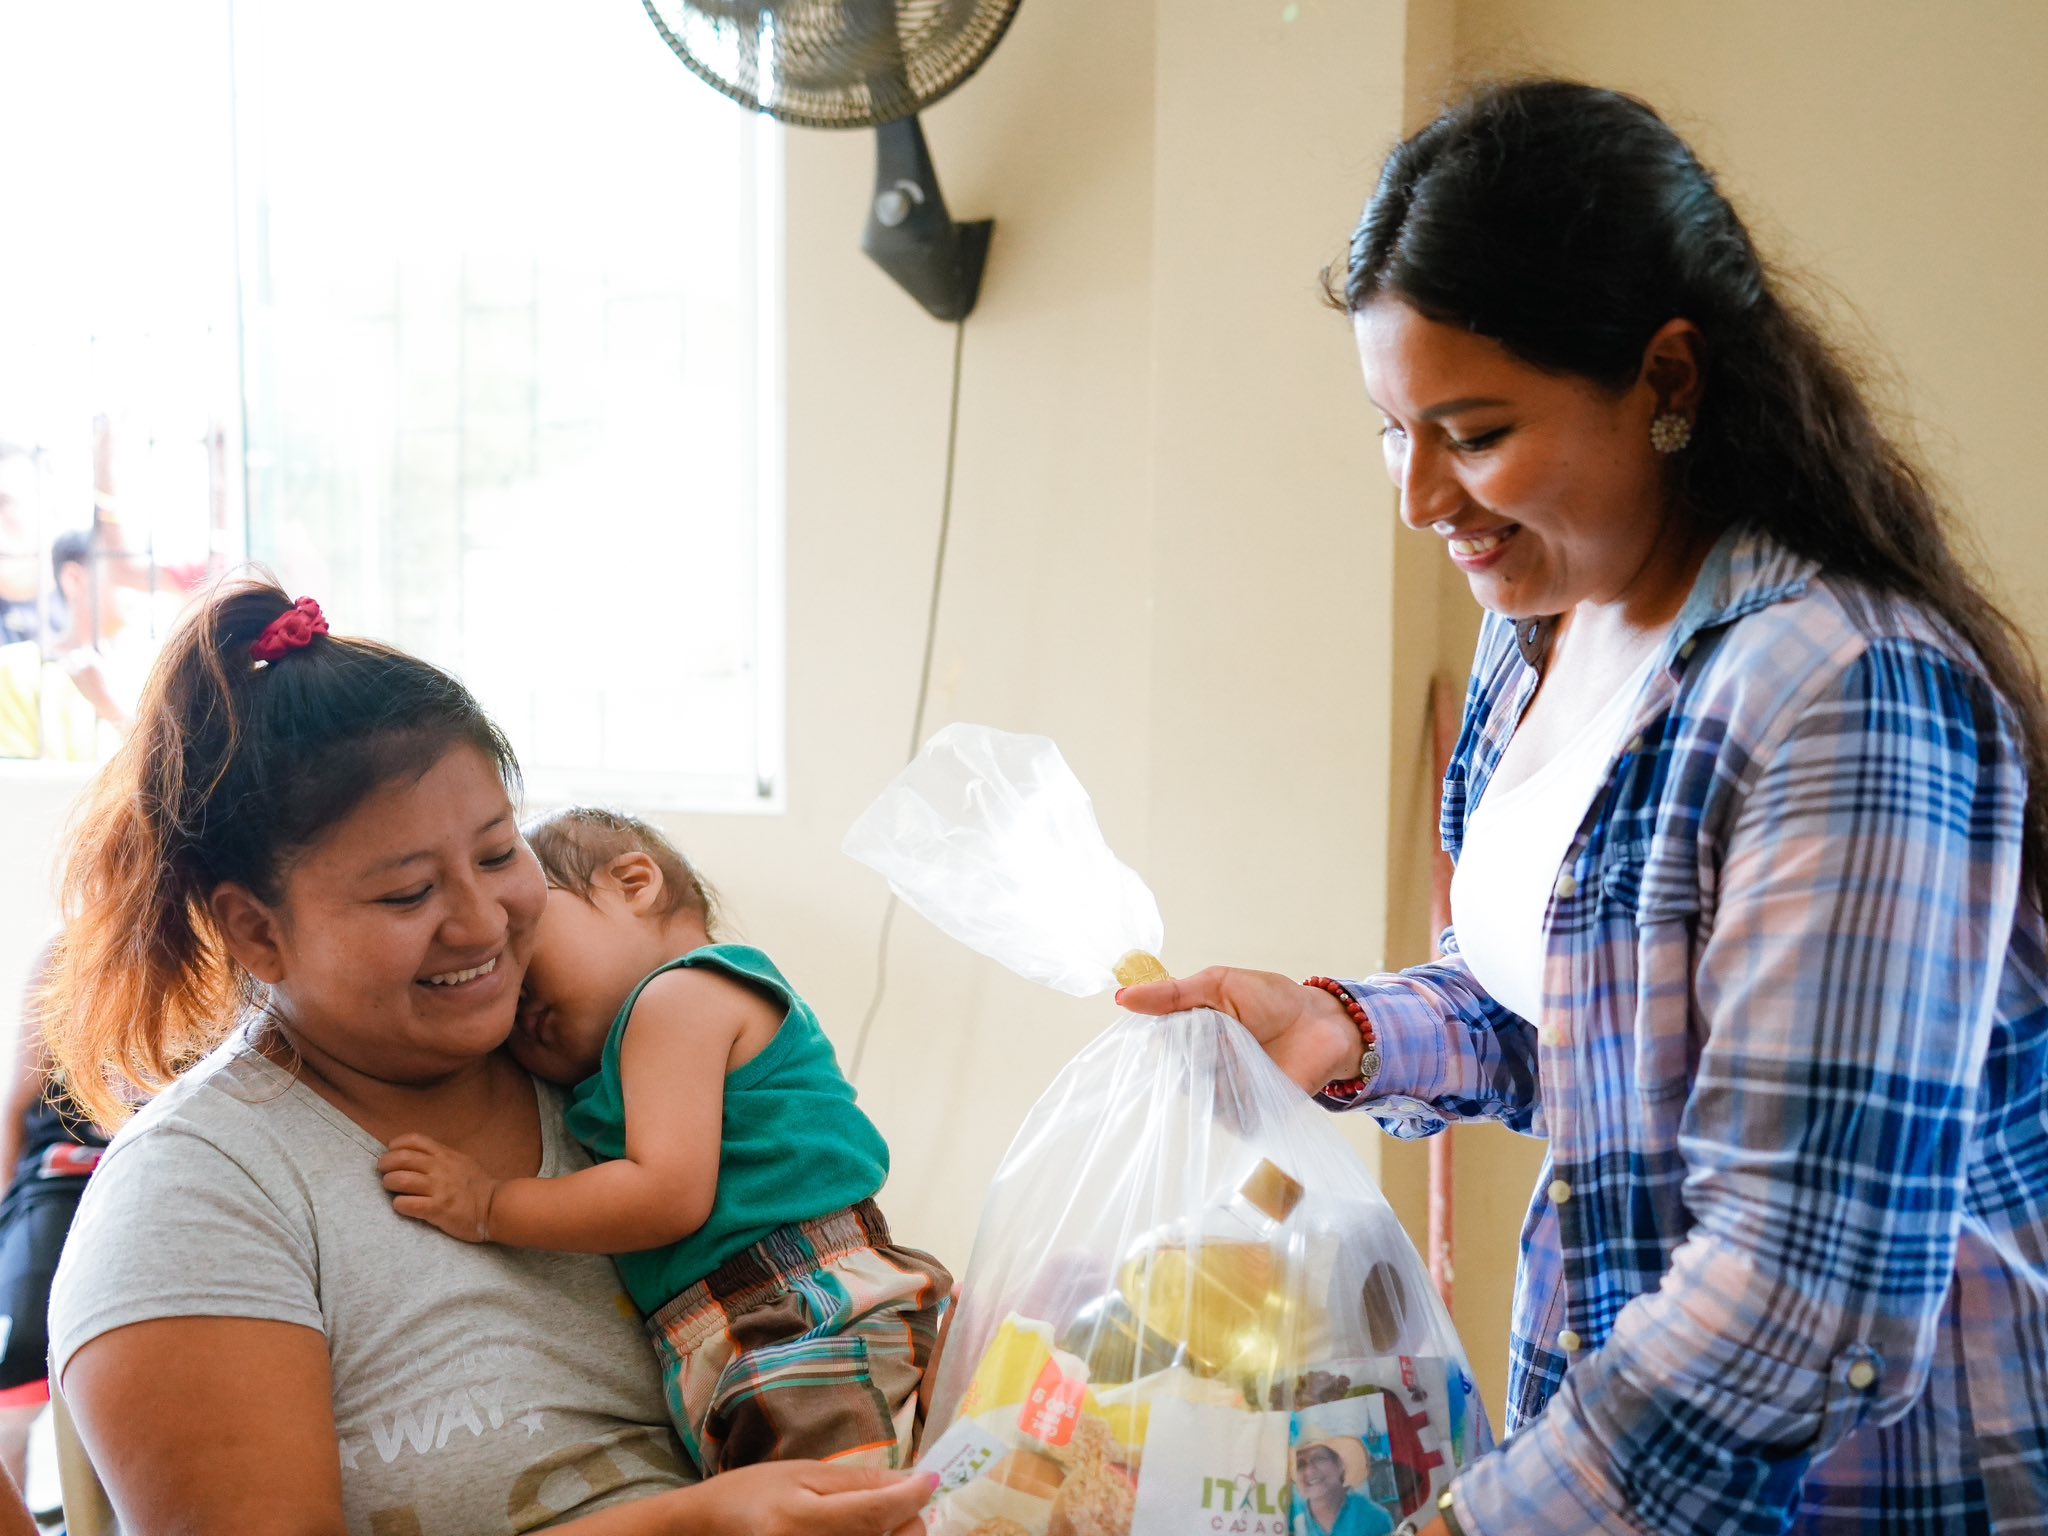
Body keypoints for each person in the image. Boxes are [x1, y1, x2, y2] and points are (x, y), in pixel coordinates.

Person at [1120, 79, 2048, 1536]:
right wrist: (1348, 1031)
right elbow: (1592, 1024)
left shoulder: (1843, 694)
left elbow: (1798, 1298)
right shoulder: (1540, 625)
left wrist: (1474, 1524)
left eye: (1474, 432)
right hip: (1616, 1444)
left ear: (1667, 380)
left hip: (1854, 1492)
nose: (1420, 498)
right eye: (1391, 430)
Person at [38, 580, 938, 1534]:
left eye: (501, 854)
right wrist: (692, 1524)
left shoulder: (599, 1068)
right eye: (407, 894)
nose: (481, 923)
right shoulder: (197, 1196)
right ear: (256, 931)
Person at [378, 805, 952, 1476]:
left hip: (803, 1312)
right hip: (748, 1329)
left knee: (844, 1505)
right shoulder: (625, 1050)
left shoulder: (681, 994)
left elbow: (666, 1193)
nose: (515, 986)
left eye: (528, 940)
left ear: (633, 883)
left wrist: (488, 1205)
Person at [0, 937, 110, 1490]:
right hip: (61, 1175)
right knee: (16, 1371)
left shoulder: (227, 953)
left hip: (159, 1169)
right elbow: (19, 1101)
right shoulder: (69, 954)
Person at [1294, 1439, 1397, 1536]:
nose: (1310, 1471)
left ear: (1340, 1464)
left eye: (1318, 1459)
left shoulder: (1372, 1517)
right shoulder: (1291, 1520)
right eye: (1300, 1465)